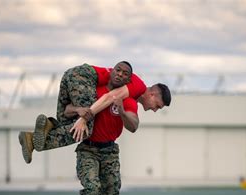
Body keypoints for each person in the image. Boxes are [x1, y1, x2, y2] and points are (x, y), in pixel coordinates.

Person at [18, 61, 170, 163]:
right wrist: (84, 119)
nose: (155, 110)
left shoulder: (126, 93)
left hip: (70, 76)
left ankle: (45, 127)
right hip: (82, 77)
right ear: (152, 95)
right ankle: (32, 140)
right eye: (158, 105)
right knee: (84, 129)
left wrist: (79, 113)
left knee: (65, 120)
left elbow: (68, 110)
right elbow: (109, 97)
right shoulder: (138, 86)